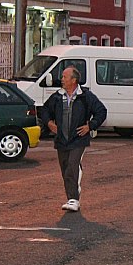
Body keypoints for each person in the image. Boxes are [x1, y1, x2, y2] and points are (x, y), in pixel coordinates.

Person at [41, 66, 107, 212]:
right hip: (61, 139)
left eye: (65, 77)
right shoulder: (58, 96)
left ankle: (73, 199)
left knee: (72, 164)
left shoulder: (85, 96)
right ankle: (72, 194)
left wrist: (90, 126)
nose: (62, 79)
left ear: (74, 80)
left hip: (78, 139)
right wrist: (49, 123)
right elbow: (44, 110)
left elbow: (101, 111)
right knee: (65, 168)